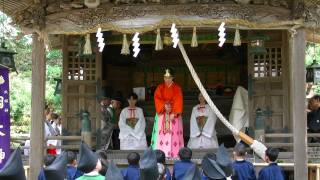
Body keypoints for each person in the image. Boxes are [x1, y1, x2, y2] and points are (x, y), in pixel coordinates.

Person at [151, 68, 184, 158]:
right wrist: (164, 106)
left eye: (169, 77)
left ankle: (175, 153)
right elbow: (157, 98)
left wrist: (175, 112)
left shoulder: (177, 88)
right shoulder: (160, 87)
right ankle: (159, 153)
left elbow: (178, 100)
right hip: (162, 113)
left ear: (173, 77)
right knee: (161, 135)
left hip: (174, 115)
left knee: (174, 134)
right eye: (165, 77)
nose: (167, 79)